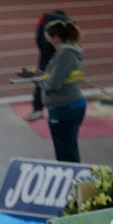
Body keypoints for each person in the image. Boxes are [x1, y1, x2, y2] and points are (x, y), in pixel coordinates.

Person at [24, 19, 86, 163]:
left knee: (66, 153)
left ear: (55, 38)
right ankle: (72, 180)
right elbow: (55, 76)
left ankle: (72, 182)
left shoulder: (65, 53)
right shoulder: (63, 52)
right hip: (65, 107)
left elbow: (53, 84)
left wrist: (39, 79)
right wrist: (40, 75)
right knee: (67, 150)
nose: (45, 41)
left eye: (47, 37)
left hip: (65, 108)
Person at [23, 9, 71, 122]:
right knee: (63, 80)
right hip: (58, 52)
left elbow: (38, 36)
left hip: (45, 51)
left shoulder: (44, 19)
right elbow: (71, 40)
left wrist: (44, 51)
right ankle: (63, 107)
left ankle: (37, 109)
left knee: (42, 81)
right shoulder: (66, 22)